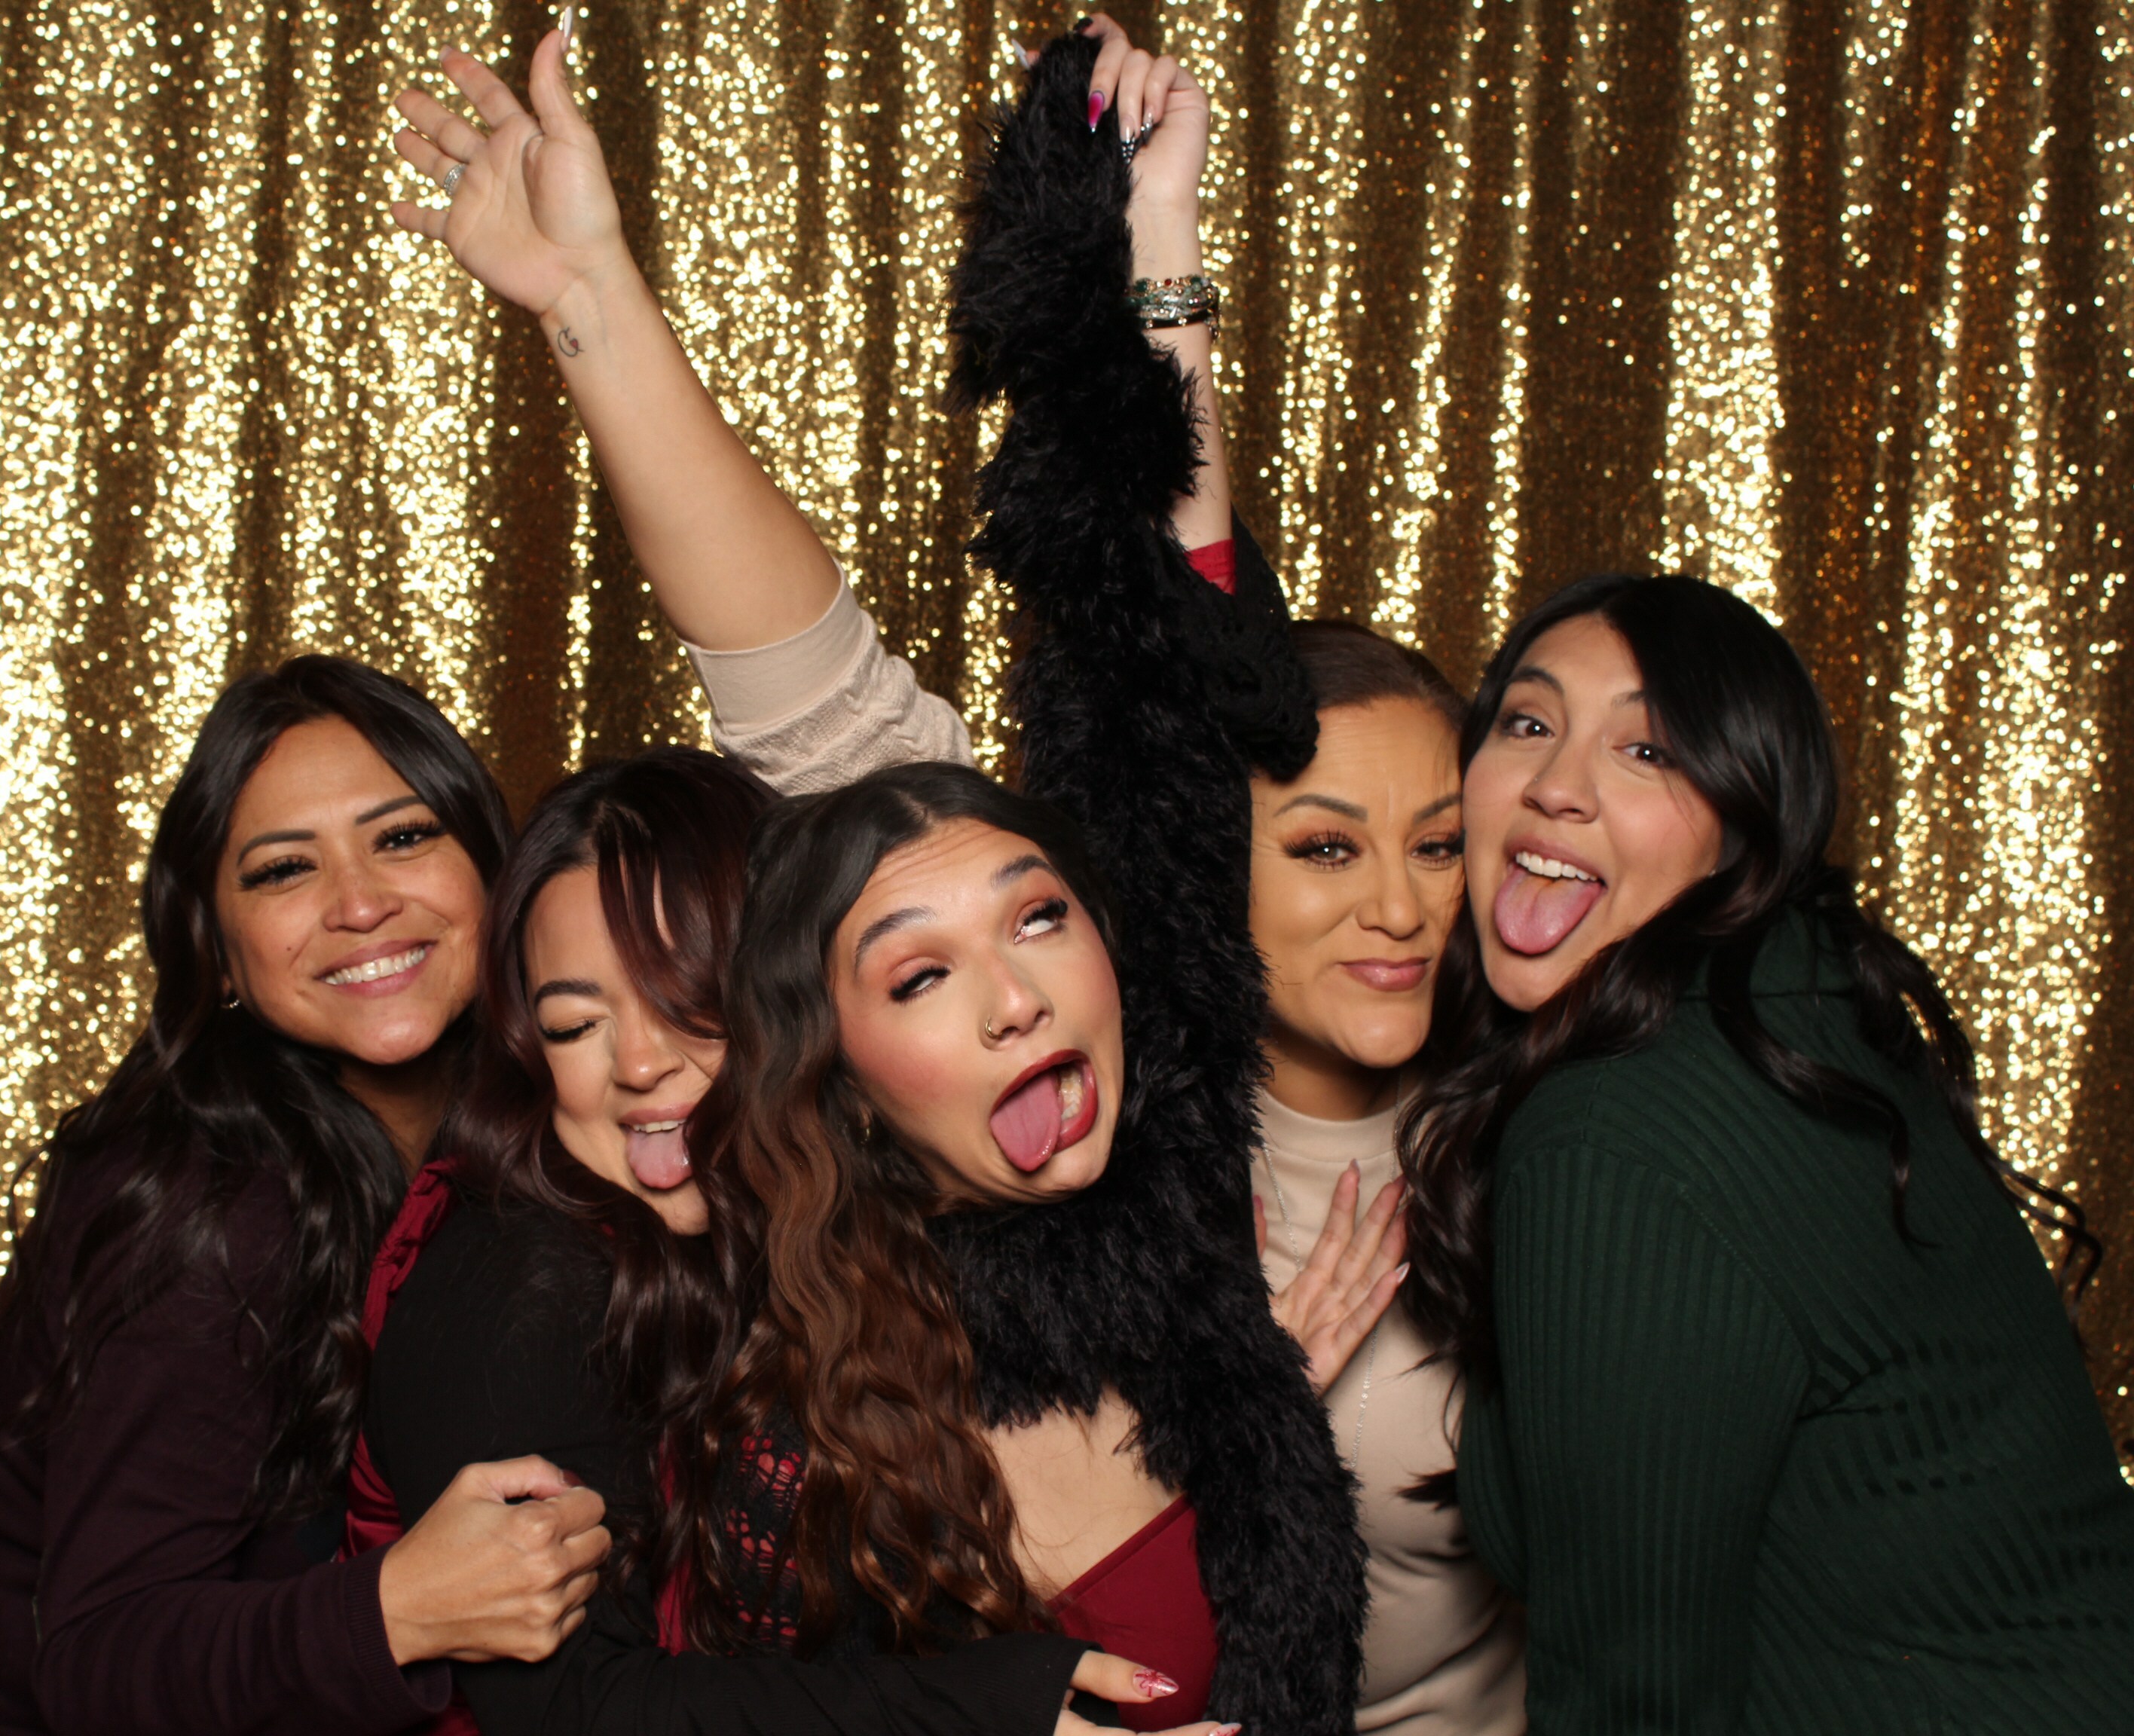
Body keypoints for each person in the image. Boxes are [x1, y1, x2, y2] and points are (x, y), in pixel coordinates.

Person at [395, 22, 1363, 1728]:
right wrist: (590, 303)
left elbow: (1160, 665)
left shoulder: (1174, 1182)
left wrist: (1159, 256)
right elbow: (797, 674)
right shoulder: (769, 1368)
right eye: (917, 972)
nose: (1012, 996)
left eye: (1042, 921)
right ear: (823, 1056)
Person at [0, 659, 611, 1736]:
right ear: (220, 953)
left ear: (496, 874)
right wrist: (401, 1608)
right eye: (283, 870)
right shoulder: (209, 1212)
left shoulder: (544, 1127)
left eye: (402, 837)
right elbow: (99, 1664)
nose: (359, 904)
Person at [353, 748, 1215, 1736]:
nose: (639, 1064)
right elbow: (576, 1712)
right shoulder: (515, 1282)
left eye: (692, 1003)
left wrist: (1214, 1381)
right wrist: (984, 1712)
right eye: (576, 1026)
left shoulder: (820, 1224)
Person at [1411, 573, 2134, 1731]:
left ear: (1742, 821)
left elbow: (1636, 1706)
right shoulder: (1804, 998)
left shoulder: (1617, 1134)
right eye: (1529, 723)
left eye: (1648, 751)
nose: (1557, 787)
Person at [1242, 622, 1526, 1734]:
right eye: (1328, 848)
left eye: (1439, 846)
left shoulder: (1543, 1145)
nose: (1402, 912)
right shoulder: (1100, 1165)